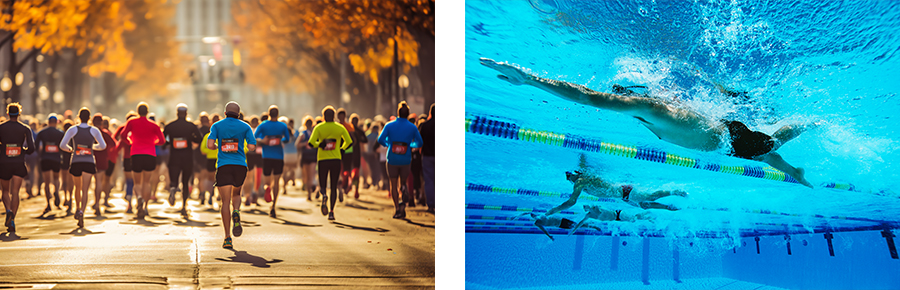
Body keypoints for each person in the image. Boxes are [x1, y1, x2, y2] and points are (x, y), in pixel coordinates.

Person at [479, 58, 816, 188]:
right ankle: (797, 172)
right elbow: (590, 96)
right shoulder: (646, 112)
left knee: (775, 143)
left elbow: (584, 96)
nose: (615, 99)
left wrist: (530, 80)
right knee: (766, 156)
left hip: (728, 139)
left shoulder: (649, 109)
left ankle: (812, 123)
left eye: (619, 94)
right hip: (722, 141)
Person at [207, 101, 256, 249]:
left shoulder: (217, 126)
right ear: (239, 113)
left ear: (225, 113)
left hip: (224, 165)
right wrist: (242, 146)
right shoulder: (245, 126)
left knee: (224, 201)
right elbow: (252, 147)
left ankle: (227, 237)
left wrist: (220, 147)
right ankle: (237, 211)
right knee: (236, 194)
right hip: (240, 165)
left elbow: (210, 145)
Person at [544, 168, 686, 218]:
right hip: (624, 196)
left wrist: (554, 210)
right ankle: (669, 208)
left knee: (650, 197)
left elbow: (571, 201)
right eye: (568, 178)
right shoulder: (582, 178)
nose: (569, 180)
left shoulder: (580, 181)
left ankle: (675, 191)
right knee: (644, 205)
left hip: (625, 191)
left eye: (568, 176)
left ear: (573, 174)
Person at [59, 107, 106, 227]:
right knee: (85, 189)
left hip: (76, 161)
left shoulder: (73, 129)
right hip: (89, 161)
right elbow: (103, 145)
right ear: (89, 118)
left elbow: (62, 145)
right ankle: (82, 213)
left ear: (79, 117)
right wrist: (91, 148)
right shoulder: (94, 130)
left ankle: (77, 207)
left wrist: (71, 149)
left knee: (77, 188)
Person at [118, 102, 165, 219]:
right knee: (146, 182)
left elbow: (122, 135)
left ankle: (138, 197)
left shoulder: (132, 122)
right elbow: (162, 140)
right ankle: (145, 206)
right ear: (147, 112)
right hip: (150, 154)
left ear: (137, 111)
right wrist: (153, 142)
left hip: (136, 153)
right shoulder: (153, 125)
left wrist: (130, 141)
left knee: (137, 182)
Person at [377, 102, 424, 219]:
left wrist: (389, 144)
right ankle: (404, 189)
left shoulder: (389, 125)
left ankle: (397, 208)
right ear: (408, 114)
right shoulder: (412, 127)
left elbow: (380, 139)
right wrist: (410, 145)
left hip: (392, 158)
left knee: (393, 184)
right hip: (406, 159)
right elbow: (420, 142)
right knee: (403, 181)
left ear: (398, 113)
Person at [308, 106, 352, 221]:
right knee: (333, 186)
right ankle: (331, 212)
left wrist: (320, 144)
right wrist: (341, 149)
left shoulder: (319, 127)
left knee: (323, 184)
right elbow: (349, 142)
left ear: (323, 116)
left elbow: (311, 143)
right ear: (334, 116)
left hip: (322, 160)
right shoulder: (339, 127)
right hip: (336, 159)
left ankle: (323, 195)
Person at [0, 103, 35, 232]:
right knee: (15, 192)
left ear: (8, 113)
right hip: (18, 163)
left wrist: (4, 150)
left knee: (4, 191)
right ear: (19, 113)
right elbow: (32, 148)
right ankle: (12, 220)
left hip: (4, 162)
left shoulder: (1, 127)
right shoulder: (25, 129)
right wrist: (22, 151)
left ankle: (8, 210)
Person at [164, 104, 203, 216]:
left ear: (177, 113)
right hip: (187, 157)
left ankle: (172, 188)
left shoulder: (170, 126)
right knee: (185, 182)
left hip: (174, 157)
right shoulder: (191, 126)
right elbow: (199, 138)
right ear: (186, 114)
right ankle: (184, 206)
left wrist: (171, 141)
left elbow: (164, 139)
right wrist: (190, 138)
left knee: (174, 179)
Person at [253, 105, 292, 218]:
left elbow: (254, 137)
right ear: (278, 114)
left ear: (269, 114)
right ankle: (274, 205)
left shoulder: (263, 125)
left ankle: (267, 188)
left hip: (266, 157)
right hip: (278, 156)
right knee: (277, 181)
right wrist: (279, 140)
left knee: (267, 180)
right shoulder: (282, 125)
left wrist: (263, 140)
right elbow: (287, 138)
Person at [35, 115, 64, 214]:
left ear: (48, 122)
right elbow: (63, 146)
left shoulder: (42, 132)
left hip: (45, 158)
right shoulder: (60, 133)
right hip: (56, 158)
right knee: (56, 178)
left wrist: (40, 155)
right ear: (56, 123)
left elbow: (36, 145)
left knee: (46, 182)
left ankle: (48, 204)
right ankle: (56, 190)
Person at [89, 113, 115, 215]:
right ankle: (98, 204)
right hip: (102, 159)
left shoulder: (89, 132)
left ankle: (93, 202)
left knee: (90, 183)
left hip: (90, 158)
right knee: (99, 182)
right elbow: (113, 144)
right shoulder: (105, 133)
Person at [296, 116, 318, 201]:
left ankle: (309, 194)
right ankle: (310, 191)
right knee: (310, 176)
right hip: (311, 156)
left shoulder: (303, 133)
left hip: (307, 156)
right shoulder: (312, 133)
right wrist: (306, 143)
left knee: (308, 176)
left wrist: (304, 144)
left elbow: (297, 145)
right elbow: (297, 145)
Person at [419, 104, 435, 214]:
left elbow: (420, 141)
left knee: (429, 180)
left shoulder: (425, 126)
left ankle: (431, 204)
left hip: (427, 156)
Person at [347, 113, 368, 199]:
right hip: (353, 153)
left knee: (353, 172)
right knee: (354, 172)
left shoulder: (350, 130)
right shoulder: (356, 130)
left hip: (351, 153)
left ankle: (353, 188)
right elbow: (365, 140)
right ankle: (354, 188)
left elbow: (365, 140)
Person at [98, 117, 118, 208]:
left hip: (101, 159)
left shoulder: (97, 133)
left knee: (100, 180)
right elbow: (114, 144)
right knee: (106, 180)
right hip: (110, 159)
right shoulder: (108, 133)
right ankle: (105, 199)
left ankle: (98, 200)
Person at [281, 117, 299, 190]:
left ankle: (284, 186)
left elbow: (281, 144)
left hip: (285, 155)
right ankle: (291, 179)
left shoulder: (283, 136)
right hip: (294, 154)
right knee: (292, 170)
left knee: (284, 171)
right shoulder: (295, 135)